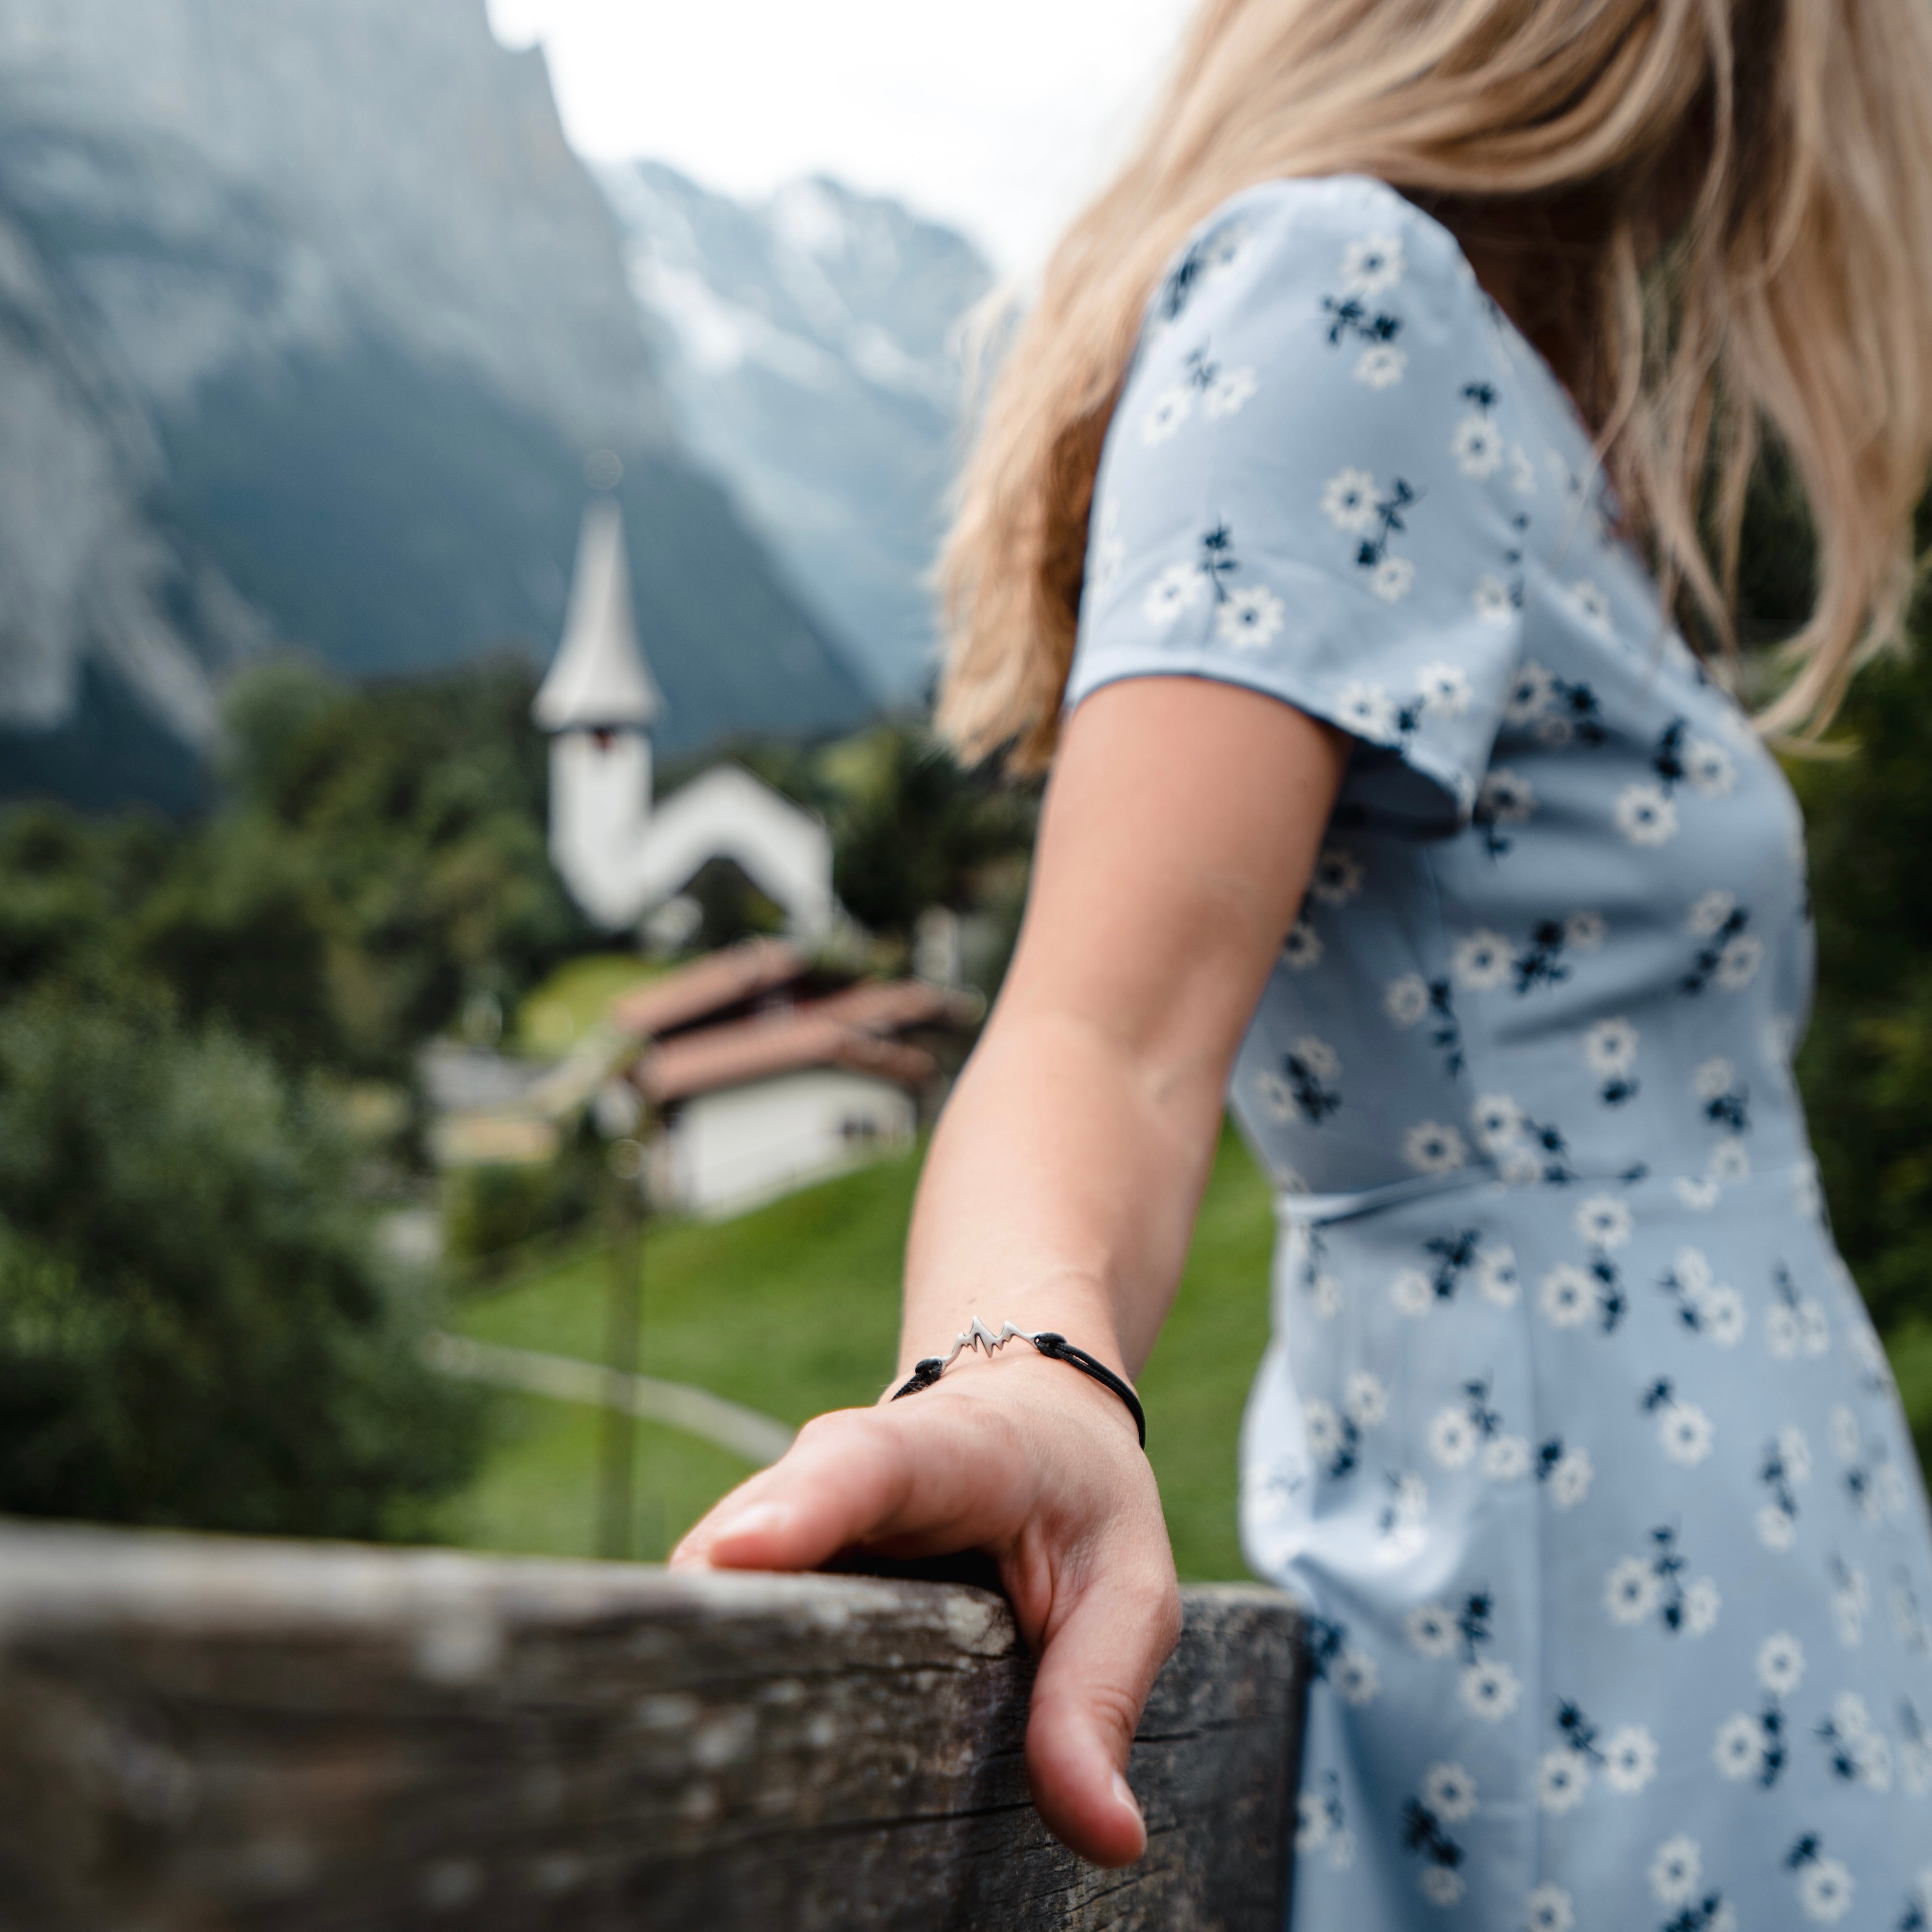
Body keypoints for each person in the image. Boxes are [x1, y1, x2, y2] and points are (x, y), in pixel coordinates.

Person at [672, 0, 1932, 1919]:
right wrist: (1024, 1367)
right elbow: (1103, 1033)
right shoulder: (1344, 292)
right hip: (1605, 1669)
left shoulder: (1497, 385)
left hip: (1744, 1630)